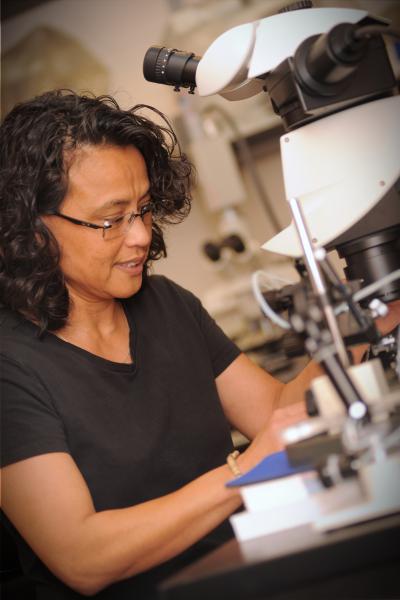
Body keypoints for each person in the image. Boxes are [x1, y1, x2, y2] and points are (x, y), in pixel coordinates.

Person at [1, 90, 399, 600]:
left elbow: (274, 413)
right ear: (32, 229)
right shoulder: (11, 366)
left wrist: (378, 323)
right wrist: (243, 470)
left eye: (144, 209)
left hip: (242, 572)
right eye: (111, 218)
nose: (141, 235)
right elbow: (83, 556)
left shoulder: (166, 304)